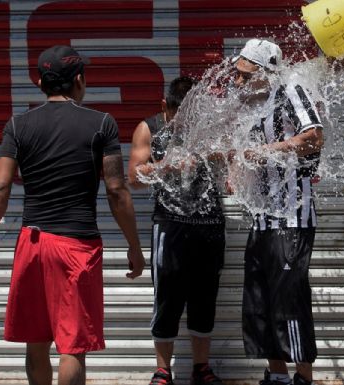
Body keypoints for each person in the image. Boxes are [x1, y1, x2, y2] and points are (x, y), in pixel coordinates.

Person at [0, 45, 145, 385]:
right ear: (79, 80)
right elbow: (115, 189)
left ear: (40, 82)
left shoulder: (18, 125)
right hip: (76, 247)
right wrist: (135, 246)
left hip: (31, 244)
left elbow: (1, 187)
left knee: (36, 343)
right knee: (72, 346)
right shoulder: (101, 124)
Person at [228, 38, 324, 385]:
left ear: (265, 71)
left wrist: (267, 150)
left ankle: (303, 378)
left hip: (292, 219)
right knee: (259, 301)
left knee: (288, 301)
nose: (237, 82)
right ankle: (278, 376)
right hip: (264, 218)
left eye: (243, 75)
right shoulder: (256, 105)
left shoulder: (291, 90)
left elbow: (313, 137)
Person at [128, 77, 226, 385]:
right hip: (170, 227)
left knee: (204, 299)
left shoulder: (211, 129)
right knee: (167, 299)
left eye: (192, 115)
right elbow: (134, 176)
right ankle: (162, 369)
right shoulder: (150, 128)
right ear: (165, 107)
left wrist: (217, 157)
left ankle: (201, 367)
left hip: (209, 225)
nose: (184, 121)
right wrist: (165, 167)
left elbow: (233, 165)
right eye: (178, 114)